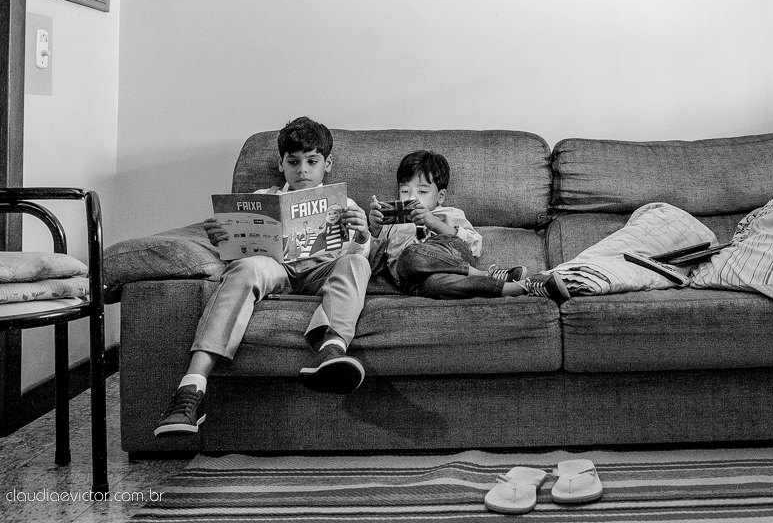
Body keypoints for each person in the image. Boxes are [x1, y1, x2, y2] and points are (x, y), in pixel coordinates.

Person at [154, 116, 372, 437]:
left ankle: (332, 350)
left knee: (357, 264)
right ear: (281, 164)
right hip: (276, 269)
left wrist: (363, 235)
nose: (303, 170)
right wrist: (221, 237)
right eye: (293, 162)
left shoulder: (346, 203)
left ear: (327, 164)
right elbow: (239, 251)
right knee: (247, 267)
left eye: (312, 162)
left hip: (322, 272)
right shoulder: (261, 197)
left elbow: (359, 257)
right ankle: (191, 389)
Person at [368, 150, 569, 302]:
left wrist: (434, 222)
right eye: (405, 191)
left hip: (455, 261)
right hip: (414, 282)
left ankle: (483, 274)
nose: (412, 198)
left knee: (411, 254)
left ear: (440, 196)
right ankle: (523, 287)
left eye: (422, 191)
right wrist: (374, 228)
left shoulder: (450, 214)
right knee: (427, 279)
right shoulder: (391, 224)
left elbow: (473, 246)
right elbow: (375, 265)